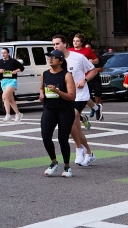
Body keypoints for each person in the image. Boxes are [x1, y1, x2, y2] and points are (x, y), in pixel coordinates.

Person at [55, 34, 96, 166]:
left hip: (80, 96)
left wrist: (84, 80)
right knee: (75, 128)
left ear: (65, 44)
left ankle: (79, 149)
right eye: (53, 44)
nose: (55, 46)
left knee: (70, 119)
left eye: (57, 44)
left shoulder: (78, 57)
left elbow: (93, 70)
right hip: (66, 96)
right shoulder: (56, 60)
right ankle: (89, 152)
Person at [39, 49, 76, 177]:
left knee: (62, 139)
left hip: (65, 110)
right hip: (49, 109)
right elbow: (41, 88)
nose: (50, 59)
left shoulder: (66, 75)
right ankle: (54, 162)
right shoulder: (44, 74)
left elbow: (72, 97)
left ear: (60, 61)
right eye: (49, 57)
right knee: (45, 136)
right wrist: (41, 94)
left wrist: (57, 91)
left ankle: (67, 166)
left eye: (53, 57)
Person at [71, 34, 102, 121]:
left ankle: (78, 118)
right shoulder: (70, 50)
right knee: (82, 96)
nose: (75, 43)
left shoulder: (87, 50)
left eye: (77, 41)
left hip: (85, 76)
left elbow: (96, 60)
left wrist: (91, 61)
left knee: (82, 96)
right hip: (73, 76)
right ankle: (95, 108)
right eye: (74, 41)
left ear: (81, 43)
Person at [0, 47, 24, 122]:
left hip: (12, 81)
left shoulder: (13, 61)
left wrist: (16, 71)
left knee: (4, 96)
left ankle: (8, 114)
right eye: (2, 53)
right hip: (3, 81)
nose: (3, 54)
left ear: (8, 53)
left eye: (4, 53)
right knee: (10, 100)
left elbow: (22, 68)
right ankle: (18, 114)